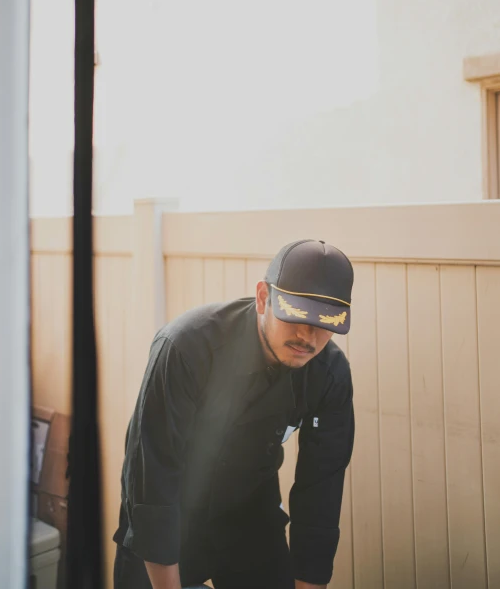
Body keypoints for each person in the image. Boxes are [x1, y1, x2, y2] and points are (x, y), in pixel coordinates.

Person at [113, 239, 355, 589]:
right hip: (170, 512)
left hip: (251, 514)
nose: (307, 335)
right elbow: (152, 479)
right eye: (295, 314)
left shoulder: (329, 374)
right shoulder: (186, 347)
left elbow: (321, 494)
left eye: (325, 321)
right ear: (262, 297)